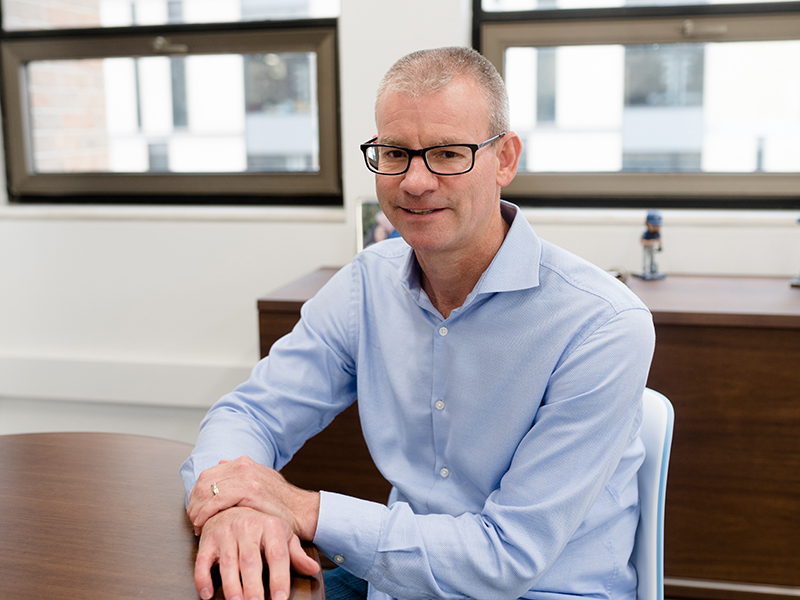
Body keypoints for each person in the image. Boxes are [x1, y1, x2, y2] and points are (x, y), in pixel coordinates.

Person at [181, 46, 655, 600]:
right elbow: (250, 414)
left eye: (448, 154)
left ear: (504, 158)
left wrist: (296, 506)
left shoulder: (603, 324)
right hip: (395, 582)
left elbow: (505, 557)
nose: (414, 181)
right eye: (395, 152)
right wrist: (231, 505)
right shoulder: (367, 284)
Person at [640, 210, 665, 280]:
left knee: (652, 258)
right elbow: (641, 241)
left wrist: (660, 246)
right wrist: (649, 242)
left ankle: (652, 269)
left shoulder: (657, 233)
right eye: (654, 225)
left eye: (657, 225)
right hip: (646, 247)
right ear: (647, 224)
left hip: (652, 248)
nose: (656, 227)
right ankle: (645, 269)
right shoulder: (646, 233)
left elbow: (659, 239)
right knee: (645, 257)